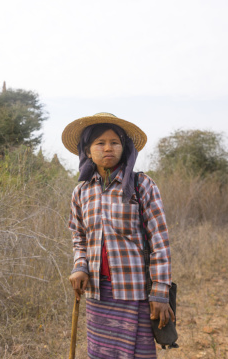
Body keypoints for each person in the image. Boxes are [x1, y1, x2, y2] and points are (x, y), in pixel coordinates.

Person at [62, 113, 174, 359]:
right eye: (100, 143)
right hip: (97, 291)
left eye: (115, 142)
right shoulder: (81, 191)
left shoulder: (141, 185)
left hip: (135, 290)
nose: (108, 148)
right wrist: (80, 266)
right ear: (88, 151)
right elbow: (79, 237)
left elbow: (159, 242)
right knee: (101, 353)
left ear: (125, 148)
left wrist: (160, 291)